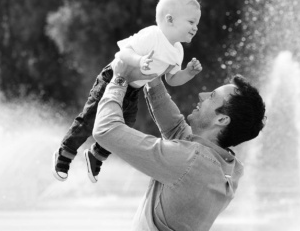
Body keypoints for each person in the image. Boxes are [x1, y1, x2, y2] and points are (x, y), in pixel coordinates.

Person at [92, 56, 267, 231]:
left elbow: (106, 130)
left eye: (212, 96)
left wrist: (119, 79)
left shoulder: (190, 160)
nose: (202, 95)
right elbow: (176, 128)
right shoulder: (228, 168)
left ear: (221, 119)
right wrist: (153, 77)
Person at [52, 0, 202, 183]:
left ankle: (95, 155)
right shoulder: (152, 35)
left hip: (133, 89)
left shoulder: (177, 51)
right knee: (90, 118)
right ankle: (65, 153)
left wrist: (188, 73)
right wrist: (139, 61)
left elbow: (171, 79)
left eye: (197, 23)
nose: (195, 27)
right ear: (170, 20)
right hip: (112, 78)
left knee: (125, 126)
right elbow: (123, 54)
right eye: (191, 22)